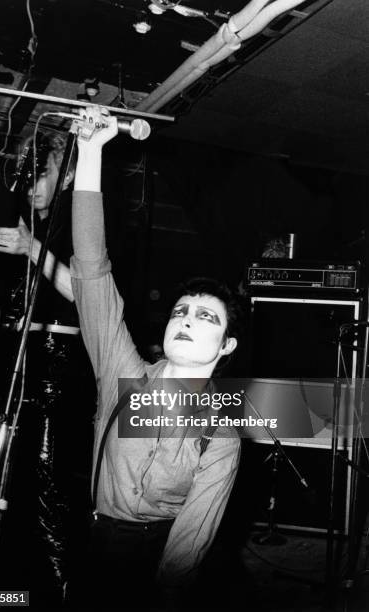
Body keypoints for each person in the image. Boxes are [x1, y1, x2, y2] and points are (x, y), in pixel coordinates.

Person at [69, 109, 242, 610]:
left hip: (158, 556)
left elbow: (191, 538)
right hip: (96, 540)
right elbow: (92, 269)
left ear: (226, 346)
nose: (186, 319)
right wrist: (92, 152)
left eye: (206, 318)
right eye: (181, 311)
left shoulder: (222, 434)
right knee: (1, 599)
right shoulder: (124, 372)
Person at [0, 132, 95, 605]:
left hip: (57, 377)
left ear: (62, 175)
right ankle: (6, 587)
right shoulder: (34, 225)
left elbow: (85, 296)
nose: (30, 187)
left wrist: (31, 247)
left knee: (48, 487)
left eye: (40, 174)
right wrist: (3, 313)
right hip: (20, 371)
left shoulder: (75, 226)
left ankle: (57, 591)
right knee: (9, 482)